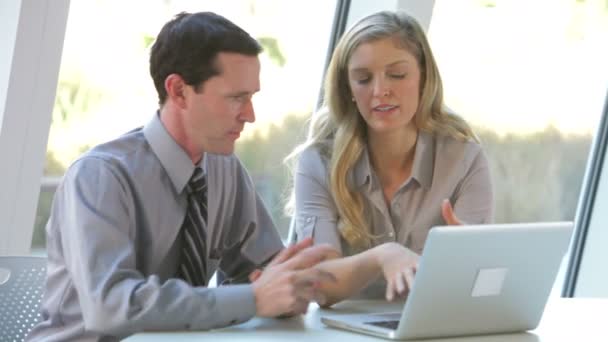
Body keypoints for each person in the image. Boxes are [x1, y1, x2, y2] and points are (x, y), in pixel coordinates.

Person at [27, 11, 336, 341]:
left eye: (251, 97)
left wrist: (287, 287)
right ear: (178, 91)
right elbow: (111, 307)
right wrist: (255, 298)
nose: (250, 115)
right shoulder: (100, 177)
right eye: (236, 98)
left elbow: (265, 268)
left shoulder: (224, 169)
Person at [288, 10, 493, 306]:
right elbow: (320, 284)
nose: (380, 91)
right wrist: (383, 256)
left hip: (435, 325)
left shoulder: (464, 158)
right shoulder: (318, 162)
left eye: (397, 75)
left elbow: (477, 280)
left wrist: (470, 260)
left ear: (424, 78)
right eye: (362, 79)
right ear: (348, 90)